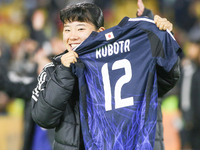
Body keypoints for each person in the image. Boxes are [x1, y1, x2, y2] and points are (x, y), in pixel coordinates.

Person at [31, 2, 180, 150]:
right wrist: (64, 72)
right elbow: (43, 118)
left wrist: (162, 34)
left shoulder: (119, 63)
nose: (72, 36)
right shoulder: (54, 69)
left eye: (80, 28)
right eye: (67, 30)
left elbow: (164, 82)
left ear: (100, 31)